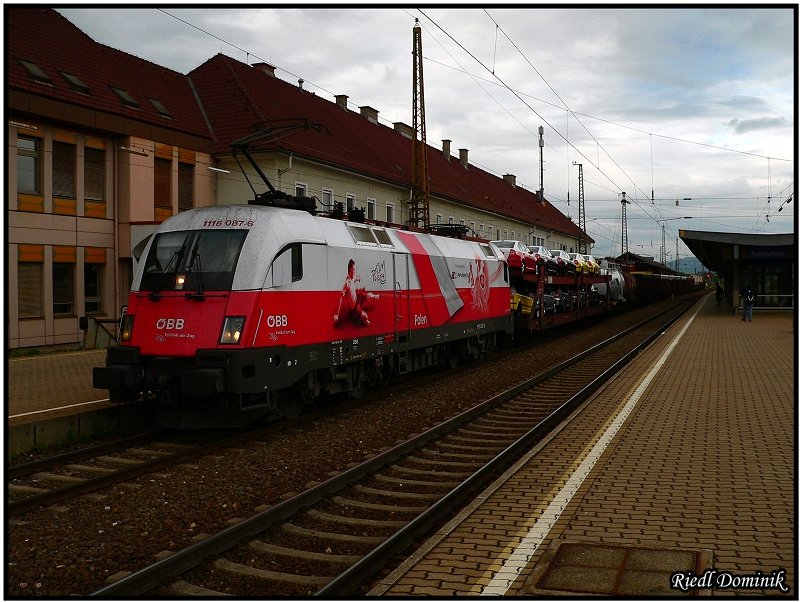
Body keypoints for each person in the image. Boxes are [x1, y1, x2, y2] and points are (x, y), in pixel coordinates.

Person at [334, 259, 379, 327]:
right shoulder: (347, 282)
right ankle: (364, 319)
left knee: (366, 294)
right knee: (365, 316)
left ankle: (374, 296)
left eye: (355, 270)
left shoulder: (353, 276)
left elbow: (356, 278)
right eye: (353, 270)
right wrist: (337, 314)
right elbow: (341, 297)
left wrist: (358, 278)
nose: (354, 272)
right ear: (349, 270)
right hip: (354, 306)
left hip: (357, 297)